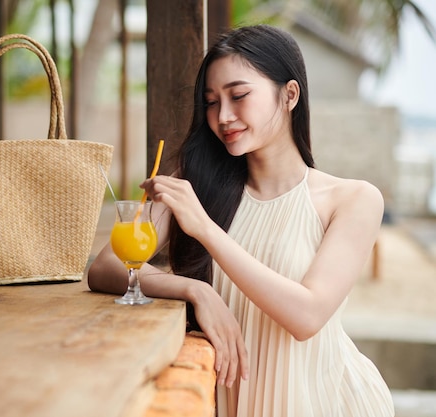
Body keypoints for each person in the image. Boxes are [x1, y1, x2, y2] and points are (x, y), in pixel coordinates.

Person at [87, 24, 394, 417]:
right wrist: (195, 291)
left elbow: (307, 315)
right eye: (212, 102)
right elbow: (106, 267)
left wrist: (206, 230)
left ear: (290, 94)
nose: (223, 116)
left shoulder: (354, 199)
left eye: (239, 95)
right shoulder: (194, 186)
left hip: (323, 402)